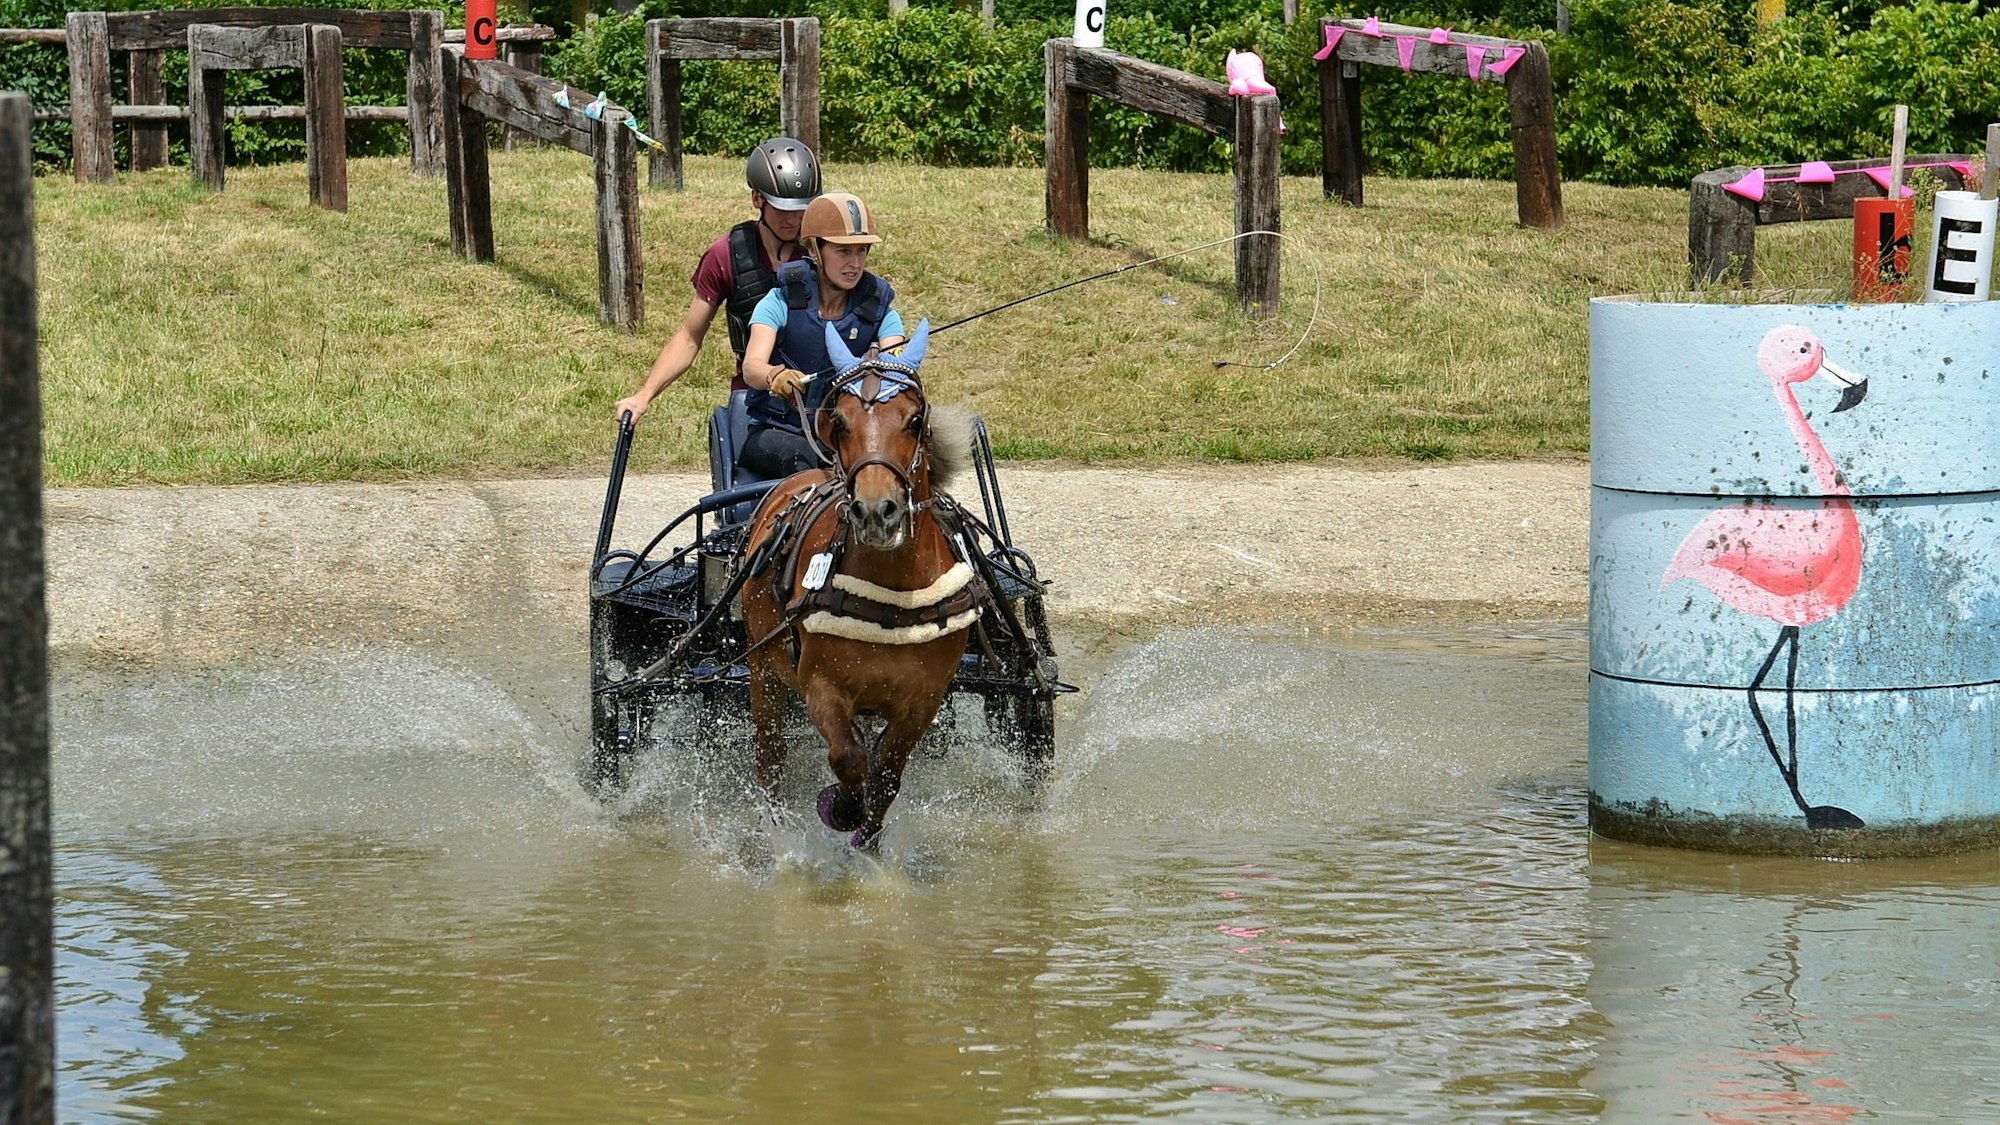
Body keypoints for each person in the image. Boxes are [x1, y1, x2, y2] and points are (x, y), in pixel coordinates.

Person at [611, 136, 820, 425]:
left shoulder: (823, 251)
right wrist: (644, 395)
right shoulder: (726, 254)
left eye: (801, 208)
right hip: (755, 399)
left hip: (817, 395)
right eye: (782, 208)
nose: (793, 220)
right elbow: (689, 336)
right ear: (757, 199)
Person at [739, 191, 908, 479]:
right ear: (814, 250)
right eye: (843, 251)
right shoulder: (778, 301)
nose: (855, 263)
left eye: (861, 251)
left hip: (843, 433)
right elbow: (751, 367)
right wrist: (774, 376)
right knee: (804, 457)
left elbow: (896, 363)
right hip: (775, 432)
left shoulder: (880, 310)